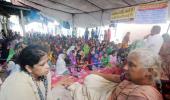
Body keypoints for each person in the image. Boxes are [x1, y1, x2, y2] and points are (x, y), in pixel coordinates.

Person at [56, 48, 163, 100]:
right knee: (91, 77)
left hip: (107, 97)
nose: (125, 68)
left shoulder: (143, 96)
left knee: (86, 83)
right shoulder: (131, 77)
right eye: (126, 63)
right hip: (111, 88)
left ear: (149, 72)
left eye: (131, 65)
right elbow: (116, 78)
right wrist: (96, 73)